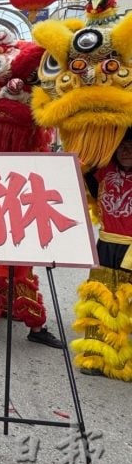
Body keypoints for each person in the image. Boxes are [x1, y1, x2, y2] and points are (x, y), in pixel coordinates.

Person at [74, 131, 132, 379]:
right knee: (101, 303)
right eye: (121, 146)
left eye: (130, 146)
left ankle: (122, 359)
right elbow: (81, 164)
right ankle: (97, 357)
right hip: (106, 244)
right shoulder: (103, 170)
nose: (125, 151)